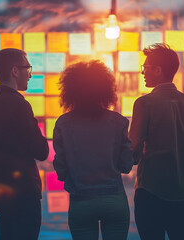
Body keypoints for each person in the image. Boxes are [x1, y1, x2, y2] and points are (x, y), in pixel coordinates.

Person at [53, 60, 134, 240]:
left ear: (70, 90)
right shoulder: (118, 122)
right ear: (105, 89)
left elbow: (60, 170)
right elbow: (126, 165)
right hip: (113, 199)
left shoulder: (63, 124)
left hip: (80, 201)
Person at [129, 43, 184, 240]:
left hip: (150, 191)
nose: (143, 73)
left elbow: (132, 152)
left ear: (158, 70)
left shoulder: (144, 104)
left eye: (145, 68)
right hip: (182, 194)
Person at [0, 48, 49, 240]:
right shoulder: (20, 105)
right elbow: (41, 151)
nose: (30, 74)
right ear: (15, 71)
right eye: (28, 68)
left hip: (2, 191)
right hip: (24, 191)